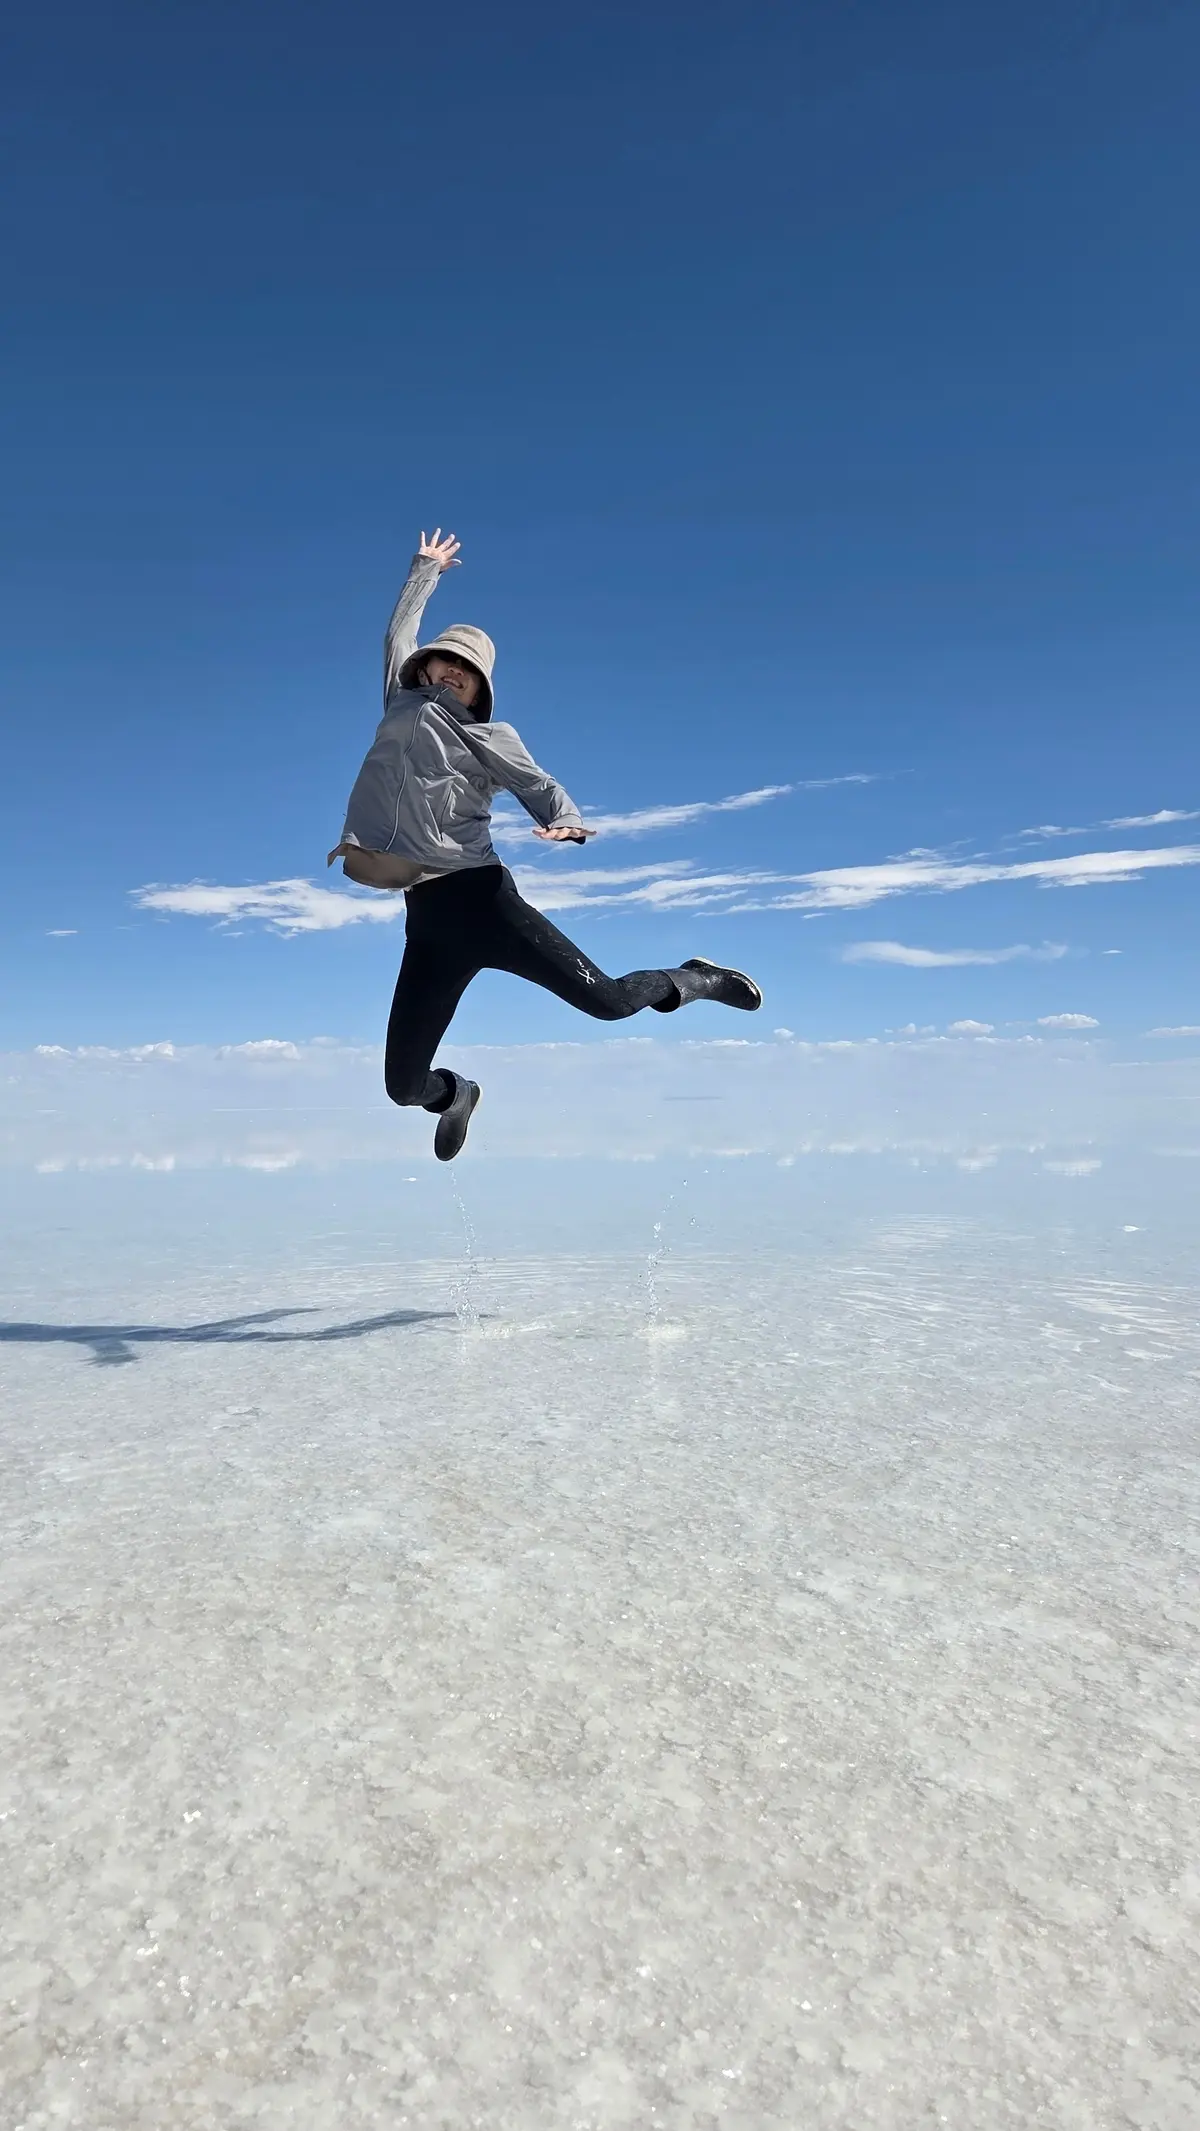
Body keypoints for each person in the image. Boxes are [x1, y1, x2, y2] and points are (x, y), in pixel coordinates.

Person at [329, 529, 762, 1160]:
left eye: (468, 673)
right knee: (401, 1087)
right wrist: (425, 570)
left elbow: (539, 784)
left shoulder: (489, 737)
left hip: (484, 903)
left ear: (479, 692)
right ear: (423, 667)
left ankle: (692, 978)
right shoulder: (399, 700)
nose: (453, 673)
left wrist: (566, 818)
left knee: (609, 1002)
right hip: (426, 923)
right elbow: (398, 631)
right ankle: (456, 1096)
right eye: (444, 661)